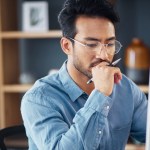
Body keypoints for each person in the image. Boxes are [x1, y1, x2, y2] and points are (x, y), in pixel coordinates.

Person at [21, 0, 148, 149]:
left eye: (110, 44)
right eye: (92, 44)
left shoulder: (125, 88)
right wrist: (100, 94)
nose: (104, 54)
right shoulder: (39, 99)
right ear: (67, 46)